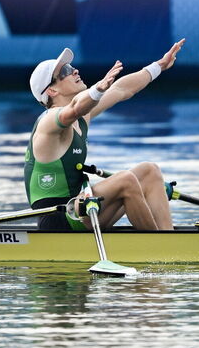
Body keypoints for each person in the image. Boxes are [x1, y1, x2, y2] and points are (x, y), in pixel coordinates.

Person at [24, 39, 185, 231]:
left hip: (81, 208)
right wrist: (98, 89)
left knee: (149, 171)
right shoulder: (49, 121)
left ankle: (168, 236)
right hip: (56, 218)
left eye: (71, 67)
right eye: (65, 71)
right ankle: (158, 250)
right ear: (52, 90)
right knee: (126, 180)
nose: (74, 71)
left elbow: (122, 89)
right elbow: (74, 109)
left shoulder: (84, 115)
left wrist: (159, 66)